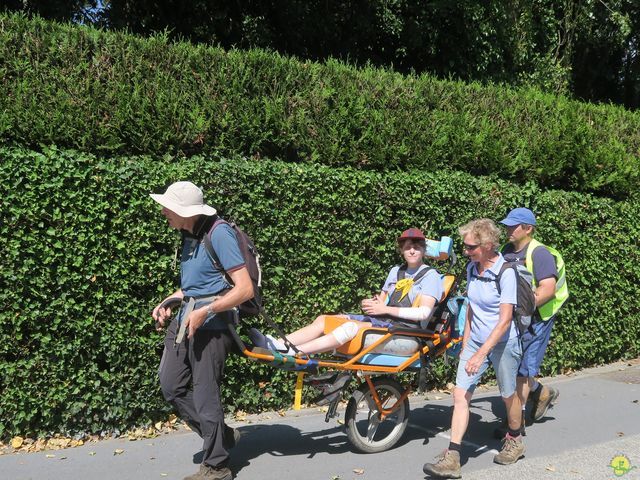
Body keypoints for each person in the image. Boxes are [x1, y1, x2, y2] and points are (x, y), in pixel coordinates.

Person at [150, 181, 254, 480]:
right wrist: (168, 301)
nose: (163, 211)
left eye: (168, 207)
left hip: (213, 326)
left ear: (185, 211)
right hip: (186, 319)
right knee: (171, 385)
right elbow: (194, 286)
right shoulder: (188, 234)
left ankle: (217, 466)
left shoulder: (218, 233)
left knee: (207, 396)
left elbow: (244, 288)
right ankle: (221, 435)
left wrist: (206, 311)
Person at [423, 219, 524, 479]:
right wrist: (467, 342)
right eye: (465, 246)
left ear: (489, 245)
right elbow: (470, 308)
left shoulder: (506, 272)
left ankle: (514, 438)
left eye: (471, 247)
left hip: (503, 342)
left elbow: (504, 321)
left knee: (508, 394)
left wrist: (481, 354)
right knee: (460, 395)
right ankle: (453, 456)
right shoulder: (472, 268)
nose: (466, 251)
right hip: (476, 341)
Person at [250, 228, 443, 355]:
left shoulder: (431, 275)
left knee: (349, 327)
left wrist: (384, 310)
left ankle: (295, 351)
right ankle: (278, 344)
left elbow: (423, 312)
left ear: (424, 250)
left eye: (417, 247)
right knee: (325, 320)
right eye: (408, 247)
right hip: (385, 324)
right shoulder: (396, 271)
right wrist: (373, 304)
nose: (412, 251)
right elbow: (383, 302)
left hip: (406, 333)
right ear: (401, 250)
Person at [498, 207, 568, 432]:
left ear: (528, 228)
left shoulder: (539, 253)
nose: (508, 229)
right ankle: (541, 393)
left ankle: (513, 427)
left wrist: (521, 308)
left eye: (513, 225)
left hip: (537, 318)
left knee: (523, 370)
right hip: (515, 317)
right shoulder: (505, 250)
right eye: (507, 224)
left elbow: (547, 290)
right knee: (512, 365)